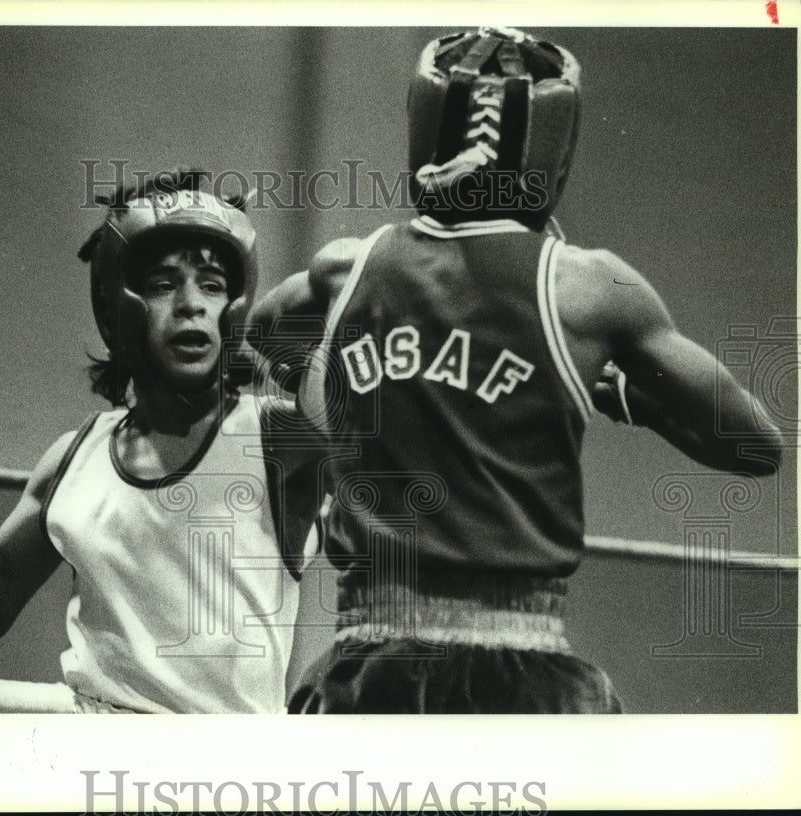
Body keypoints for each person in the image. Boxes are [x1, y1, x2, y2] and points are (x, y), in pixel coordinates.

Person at [247, 27, 785, 714]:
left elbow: (264, 331)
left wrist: (354, 394)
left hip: (369, 670)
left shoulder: (348, 268)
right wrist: (621, 391)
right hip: (526, 676)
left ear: (425, 129)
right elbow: (754, 443)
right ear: (555, 155)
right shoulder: (590, 288)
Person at [0, 169, 324, 713]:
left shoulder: (280, 440)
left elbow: (389, 411)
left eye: (213, 285)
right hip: (93, 766)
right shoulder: (74, 459)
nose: (192, 304)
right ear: (118, 302)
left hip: (223, 781)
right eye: (165, 283)